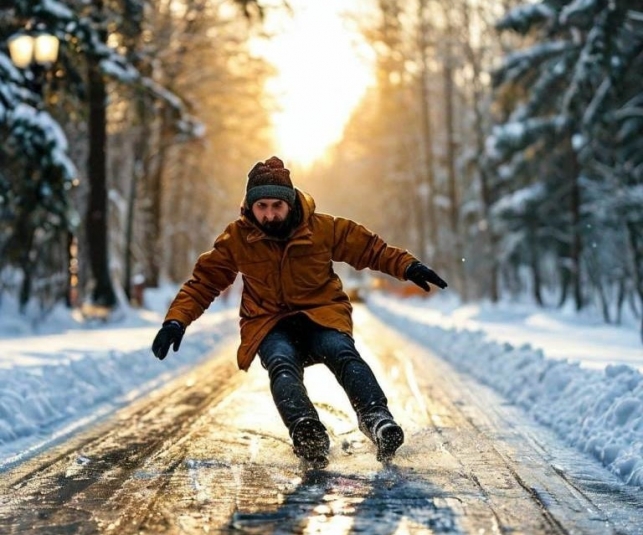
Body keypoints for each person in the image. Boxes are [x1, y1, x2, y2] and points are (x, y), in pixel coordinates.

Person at [152, 156, 447, 468]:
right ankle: (307, 431)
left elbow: (370, 249)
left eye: (276, 205)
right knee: (280, 362)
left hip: (321, 313)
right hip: (269, 321)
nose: (269, 215)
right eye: (261, 206)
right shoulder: (237, 239)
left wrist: (407, 265)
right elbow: (204, 282)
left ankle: (377, 420)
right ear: (250, 206)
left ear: (290, 203)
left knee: (342, 352)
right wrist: (176, 320)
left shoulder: (322, 228)